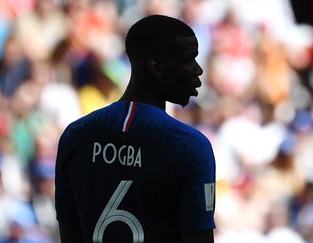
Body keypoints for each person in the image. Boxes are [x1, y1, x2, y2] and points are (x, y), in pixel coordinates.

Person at [55, 15, 216, 243]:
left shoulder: (75, 136)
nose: (198, 71)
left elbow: (69, 236)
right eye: (189, 60)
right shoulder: (190, 147)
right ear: (155, 66)